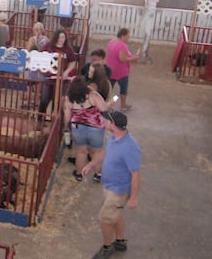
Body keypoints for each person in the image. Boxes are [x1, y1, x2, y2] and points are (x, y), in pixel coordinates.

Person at [82, 110, 141, 259]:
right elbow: (105, 153)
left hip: (119, 190)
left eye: (108, 120)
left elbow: (136, 174)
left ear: (113, 124)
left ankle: (107, 247)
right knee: (115, 214)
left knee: (104, 219)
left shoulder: (130, 147)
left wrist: (133, 197)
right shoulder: (114, 137)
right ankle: (120, 241)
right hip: (109, 185)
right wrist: (91, 164)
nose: (105, 121)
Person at [64, 76, 114, 183]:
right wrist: (110, 103)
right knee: (97, 152)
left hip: (78, 128)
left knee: (81, 152)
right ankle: (98, 175)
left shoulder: (69, 98)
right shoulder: (93, 95)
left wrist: (66, 127)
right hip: (96, 128)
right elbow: (104, 109)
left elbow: (67, 117)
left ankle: (79, 174)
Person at [37, 29, 77, 115]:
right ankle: (41, 117)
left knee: (58, 101)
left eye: (63, 37)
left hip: (63, 79)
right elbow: (40, 57)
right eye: (59, 37)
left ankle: (54, 119)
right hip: (49, 78)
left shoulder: (68, 49)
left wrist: (67, 71)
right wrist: (42, 69)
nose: (61, 39)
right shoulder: (48, 46)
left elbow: (73, 62)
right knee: (44, 99)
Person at [106, 28, 140, 111]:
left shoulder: (111, 42)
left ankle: (106, 104)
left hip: (110, 69)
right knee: (123, 89)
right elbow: (122, 59)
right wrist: (133, 59)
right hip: (120, 71)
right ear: (122, 36)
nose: (128, 38)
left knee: (108, 88)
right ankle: (123, 105)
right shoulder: (122, 45)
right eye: (127, 36)